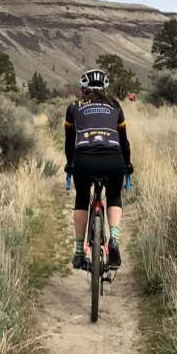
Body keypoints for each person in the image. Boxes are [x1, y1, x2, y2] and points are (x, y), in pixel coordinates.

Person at [64, 68, 133, 270]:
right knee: (113, 197)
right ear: (105, 88)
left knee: (82, 200)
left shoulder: (74, 106)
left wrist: (70, 164)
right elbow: (124, 141)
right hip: (113, 159)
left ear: (84, 89)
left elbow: (69, 142)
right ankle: (114, 240)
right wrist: (127, 164)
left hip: (83, 160)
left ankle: (78, 252)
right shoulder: (114, 105)